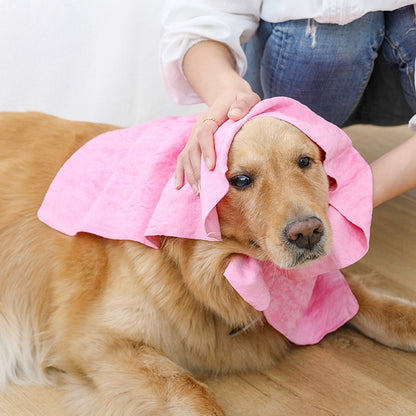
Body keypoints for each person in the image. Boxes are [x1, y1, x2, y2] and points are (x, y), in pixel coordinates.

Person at [159, 1, 416, 206]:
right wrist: (226, 92)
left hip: (395, 80)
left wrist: (358, 194)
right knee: (331, 28)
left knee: (405, 22)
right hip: (297, 57)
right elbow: (198, 16)